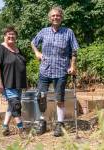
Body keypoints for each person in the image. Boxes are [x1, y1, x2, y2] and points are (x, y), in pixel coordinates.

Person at [31, 6, 79, 137]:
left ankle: (59, 124)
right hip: (44, 69)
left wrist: (72, 66)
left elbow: (74, 50)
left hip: (61, 70)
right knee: (41, 96)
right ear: (49, 18)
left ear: (61, 17)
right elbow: (33, 42)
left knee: (59, 98)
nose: (55, 17)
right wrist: (37, 53)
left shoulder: (68, 32)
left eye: (58, 15)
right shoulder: (44, 31)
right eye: (53, 16)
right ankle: (42, 122)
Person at [0, 26, 27, 136]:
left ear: (16, 37)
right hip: (7, 83)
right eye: (8, 35)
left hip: (18, 83)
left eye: (13, 35)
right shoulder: (0, 49)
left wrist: (26, 82)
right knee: (15, 105)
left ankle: (5, 127)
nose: (11, 37)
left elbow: (21, 66)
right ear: (4, 37)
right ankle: (21, 129)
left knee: (12, 106)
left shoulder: (18, 49)